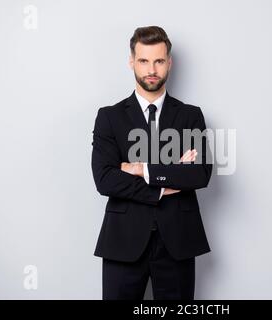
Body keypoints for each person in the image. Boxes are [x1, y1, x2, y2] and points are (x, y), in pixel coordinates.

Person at [91, 25, 212, 300]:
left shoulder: (190, 116)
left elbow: (199, 174)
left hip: (178, 242)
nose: (151, 69)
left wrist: (139, 168)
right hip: (122, 241)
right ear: (132, 61)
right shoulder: (109, 117)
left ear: (169, 63)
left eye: (158, 60)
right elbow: (105, 179)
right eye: (144, 61)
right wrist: (163, 184)